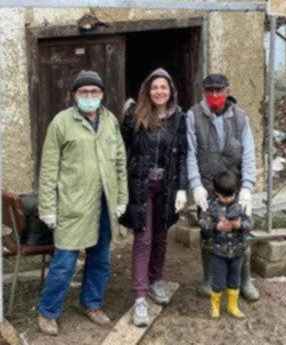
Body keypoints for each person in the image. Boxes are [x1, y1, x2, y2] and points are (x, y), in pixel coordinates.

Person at [37, 70, 128, 336]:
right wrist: (47, 207)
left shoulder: (110, 121)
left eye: (94, 91)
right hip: (73, 205)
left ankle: (91, 303)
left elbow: (120, 162)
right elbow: (49, 169)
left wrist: (122, 198)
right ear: (75, 96)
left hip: (104, 203)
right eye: (84, 92)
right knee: (65, 263)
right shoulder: (61, 123)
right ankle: (48, 312)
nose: (90, 96)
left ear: (102, 95)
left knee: (100, 259)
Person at [119, 68, 188, 328]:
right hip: (141, 185)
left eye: (164, 87)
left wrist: (182, 188)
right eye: (155, 87)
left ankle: (155, 280)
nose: (159, 91)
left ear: (171, 91)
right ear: (148, 91)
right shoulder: (135, 114)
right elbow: (121, 149)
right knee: (143, 238)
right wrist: (120, 184)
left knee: (161, 236)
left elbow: (182, 155)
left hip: (167, 187)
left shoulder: (179, 118)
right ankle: (139, 297)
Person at [186, 73, 259, 301]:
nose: (214, 95)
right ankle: (209, 278)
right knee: (208, 230)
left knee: (240, 231)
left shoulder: (241, 118)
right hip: (208, 187)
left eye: (219, 90)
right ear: (204, 93)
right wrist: (195, 185)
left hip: (233, 186)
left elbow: (249, 154)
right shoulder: (193, 116)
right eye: (210, 91)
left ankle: (244, 280)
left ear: (228, 91)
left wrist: (247, 187)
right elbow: (190, 153)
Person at [199, 169, 252, 320]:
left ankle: (232, 306)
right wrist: (217, 227)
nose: (228, 199)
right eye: (224, 196)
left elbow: (249, 224)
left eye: (231, 195)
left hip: (238, 252)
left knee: (235, 279)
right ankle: (215, 307)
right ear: (217, 192)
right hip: (218, 252)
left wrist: (239, 225)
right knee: (218, 280)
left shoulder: (240, 206)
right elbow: (203, 225)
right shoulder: (211, 207)